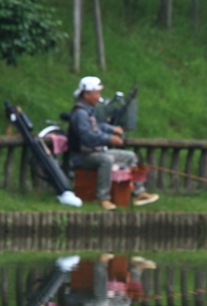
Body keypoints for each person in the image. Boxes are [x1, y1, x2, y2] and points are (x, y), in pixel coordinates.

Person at [68, 76, 159, 210]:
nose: (99, 97)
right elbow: (87, 137)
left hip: (96, 152)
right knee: (106, 160)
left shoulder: (88, 110)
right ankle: (102, 198)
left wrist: (113, 129)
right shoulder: (80, 113)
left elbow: (99, 125)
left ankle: (138, 193)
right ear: (86, 94)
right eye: (97, 93)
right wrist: (109, 139)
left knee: (130, 156)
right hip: (83, 156)